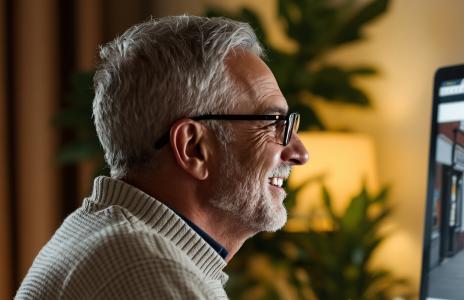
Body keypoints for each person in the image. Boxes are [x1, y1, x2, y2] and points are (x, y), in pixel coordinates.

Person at [15, 15, 309, 299]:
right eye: (273, 123)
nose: (300, 153)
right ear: (193, 148)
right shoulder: (150, 271)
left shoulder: (106, 238)